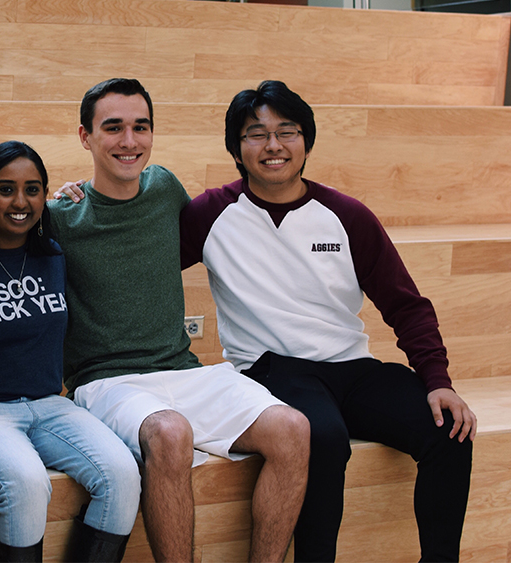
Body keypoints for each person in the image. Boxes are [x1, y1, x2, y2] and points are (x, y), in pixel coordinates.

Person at [0, 78, 311, 563]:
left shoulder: (164, 187)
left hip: (182, 371)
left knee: (293, 428)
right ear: (86, 137)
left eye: (140, 127)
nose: (129, 141)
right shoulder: (59, 216)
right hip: (106, 383)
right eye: (113, 127)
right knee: (170, 433)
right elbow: (2, 225)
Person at [177, 80, 475, 562]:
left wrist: (437, 381)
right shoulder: (210, 214)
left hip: (351, 368)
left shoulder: (346, 215)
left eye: (287, 131)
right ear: (236, 147)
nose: (273, 145)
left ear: (306, 141)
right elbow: (144, 260)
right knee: (324, 437)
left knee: (449, 429)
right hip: (271, 369)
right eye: (256, 134)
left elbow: (406, 305)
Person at [0, 141, 142, 563]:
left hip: (48, 403)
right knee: (26, 482)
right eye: (6, 189)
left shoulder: (55, 256)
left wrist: (70, 196)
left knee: (123, 475)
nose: (20, 201)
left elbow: (95, 215)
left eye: (33, 189)